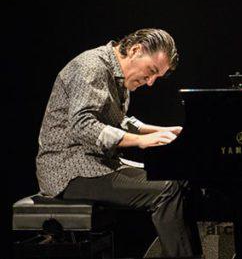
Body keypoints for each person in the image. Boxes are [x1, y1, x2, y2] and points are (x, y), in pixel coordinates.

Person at [36, 28, 202, 257]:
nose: (151, 82)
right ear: (136, 50)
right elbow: (83, 125)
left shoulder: (117, 75)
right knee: (167, 189)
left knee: (180, 180)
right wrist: (141, 141)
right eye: (151, 71)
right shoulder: (91, 66)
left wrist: (162, 130)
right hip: (69, 170)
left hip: (97, 165)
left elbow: (120, 121)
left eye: (157, 77)